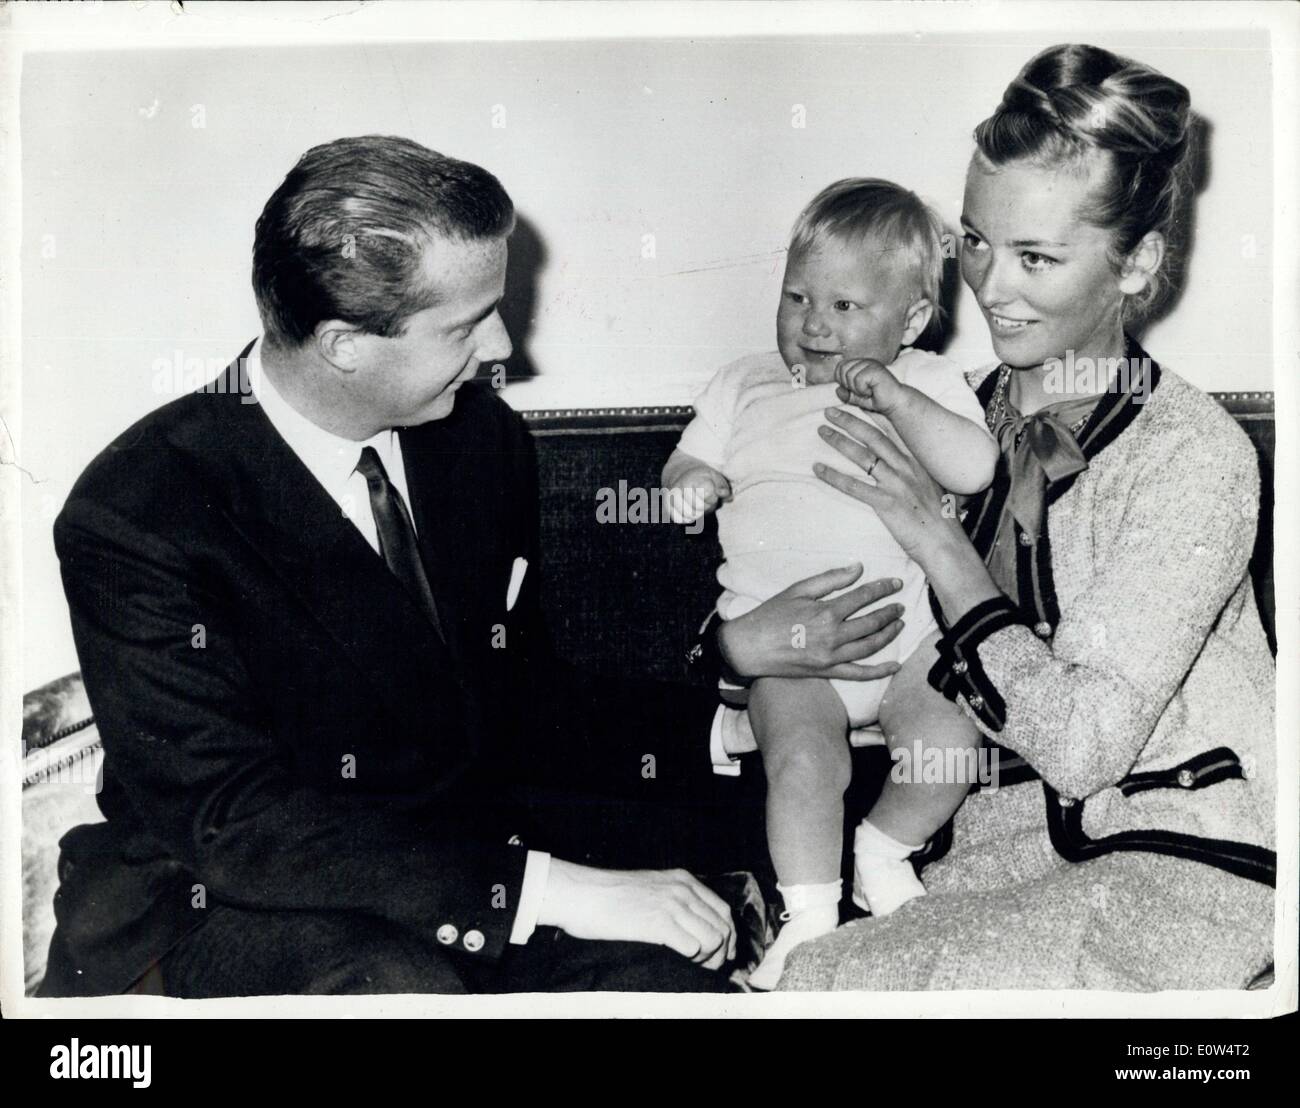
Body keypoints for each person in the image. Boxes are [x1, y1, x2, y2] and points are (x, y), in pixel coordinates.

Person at [38, 136, 907, 998]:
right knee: (395, 989)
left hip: (459, 858)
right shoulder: (142, 508)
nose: (502, 347)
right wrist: (553, 891)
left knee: (664, 986)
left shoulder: (477, 440)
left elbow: (514, 694)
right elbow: (233, 819)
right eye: (464, 324)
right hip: (224, 899)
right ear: (344, 343)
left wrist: (727, 718)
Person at [707, 43, 1277, 991]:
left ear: (1137, 263)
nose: (991, 288)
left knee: (823, 989)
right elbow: (786, 558)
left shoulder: (1195, 454)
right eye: (975, 241)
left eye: (1036, 258)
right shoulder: (943, 408)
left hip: (1177, 865)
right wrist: (736, 649)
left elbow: (1086, 750)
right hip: (983, 865)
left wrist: (933, 534)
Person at [662, 179, 998, 988]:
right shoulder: (743, 381)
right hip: (783, 652)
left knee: (953, 744)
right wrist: (690, 484)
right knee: (807, 766)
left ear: (909, 321)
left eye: (845, 308)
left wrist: (897, 398)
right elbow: (687, 460)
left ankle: (882, 852)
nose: (813, 324)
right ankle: (808, 916)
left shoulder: (926, 380)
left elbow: (975, 466)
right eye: (797, 297)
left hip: (909, 638)